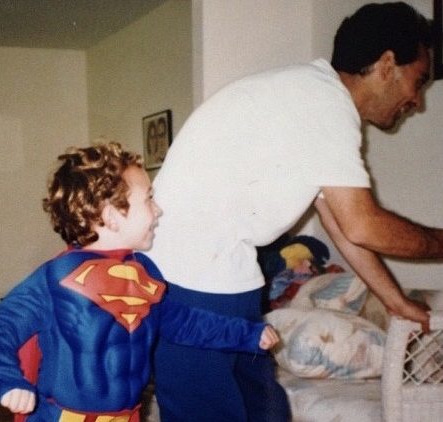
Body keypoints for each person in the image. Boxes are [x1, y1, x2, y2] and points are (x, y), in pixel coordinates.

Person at [148, 2, 443, 421]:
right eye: (418, 81)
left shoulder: (313, 98)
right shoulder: (323, 103)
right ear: (386, 65)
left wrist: (395, 302)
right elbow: (363, 225)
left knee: (267, 409)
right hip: (188, 285)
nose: (417, 100)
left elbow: (341, 223)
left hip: (225, 279)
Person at [0, 142, 279, 421]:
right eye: (149, 199)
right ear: (112, 217)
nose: (158, 210)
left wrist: (246, 334)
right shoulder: (56, 278)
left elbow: (184, 322)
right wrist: (8, 378)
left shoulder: (145, 274)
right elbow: (3, 325)